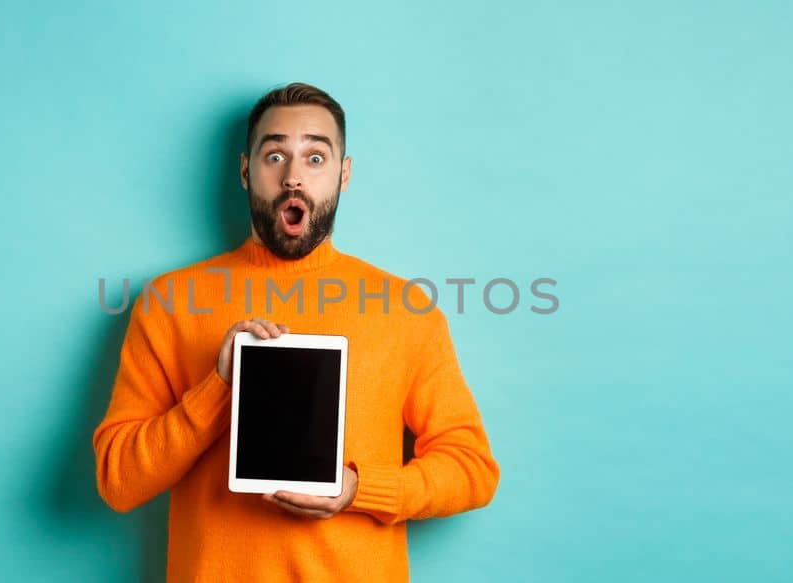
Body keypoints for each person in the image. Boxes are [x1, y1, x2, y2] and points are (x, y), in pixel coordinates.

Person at [92, 82, 500, 581]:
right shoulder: (169, 302)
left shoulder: (406, 310)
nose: (292, 178)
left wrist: (358, 490)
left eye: (315, 158)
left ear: (343, 175)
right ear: (246, 171)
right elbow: (119, 481)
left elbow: (472, 469)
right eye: (275, 155)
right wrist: (219, 388)